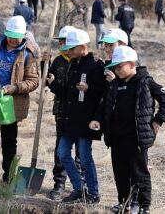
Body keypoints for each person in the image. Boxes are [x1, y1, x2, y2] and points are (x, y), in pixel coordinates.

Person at [90, 46, 165, 214]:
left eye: (119, 66)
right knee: (120, 175)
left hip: (136, 139)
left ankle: (144, 207)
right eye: (115, 67)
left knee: (139, 175)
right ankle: (124, 204)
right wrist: (97, 120)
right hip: (116, 138)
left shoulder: (145, 81)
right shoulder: (114, 84)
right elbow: (105, 104)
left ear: (131, 64)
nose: (116, 70)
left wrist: (158, 121)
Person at [0, 15, 39, 187]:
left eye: (16, 36)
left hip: (11, 102)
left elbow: (34, 81)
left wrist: (14, 88)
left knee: (9, 141)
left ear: (23, 35)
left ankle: (9, 176)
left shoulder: (28, 53)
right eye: (10, 35)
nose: (12, 39)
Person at [47, 28, 105, 204]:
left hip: (86, 119)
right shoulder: (73, 64)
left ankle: (93, 193)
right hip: (69, 118)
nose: (68, 51)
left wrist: (90, 90)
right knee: (63, 153)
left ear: (82, 46)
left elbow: (104, 94)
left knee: (85, 157)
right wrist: (53, 84)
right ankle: (79, 188)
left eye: (72, 48)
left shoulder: (96, 65)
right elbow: (67, 92)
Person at [42, 25, 83, 200]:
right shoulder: (57, 61)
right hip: (61, 111)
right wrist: (44, 63)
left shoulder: (82, 61)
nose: (63, 44)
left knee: (81, 151)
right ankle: (59, 182)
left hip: (81, 113)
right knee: (61, 149)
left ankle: (81, 185)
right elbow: (46, 81)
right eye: (60, 41)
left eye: (66, 41)